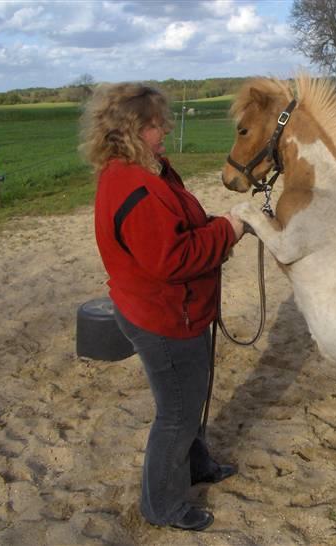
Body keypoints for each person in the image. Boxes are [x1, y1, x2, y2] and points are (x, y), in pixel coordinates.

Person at [79, 83, 245, 532]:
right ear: (132, 130)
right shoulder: (135, 187)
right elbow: (173, 259)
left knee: (190, 399)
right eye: (155, 124)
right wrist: (228, 230)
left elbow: (182, 225)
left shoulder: (146, 172)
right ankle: (162, 506)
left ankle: (196, 465)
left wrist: (215, 225)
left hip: (176, 309)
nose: (165, 128)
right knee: (176, 412)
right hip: (164, 317)